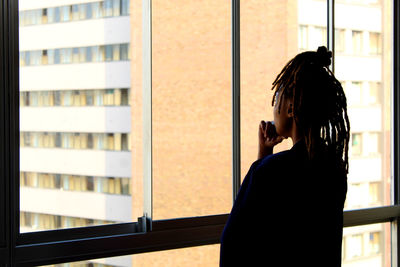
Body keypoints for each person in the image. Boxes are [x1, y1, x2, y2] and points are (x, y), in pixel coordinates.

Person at [220, 46, 350, 267]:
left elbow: (234, 244)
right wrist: (265, 155)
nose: (274, 108)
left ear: (291, 109)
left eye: (278, 96)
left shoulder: (270, 171)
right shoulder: (334, 168)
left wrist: (262, 161)